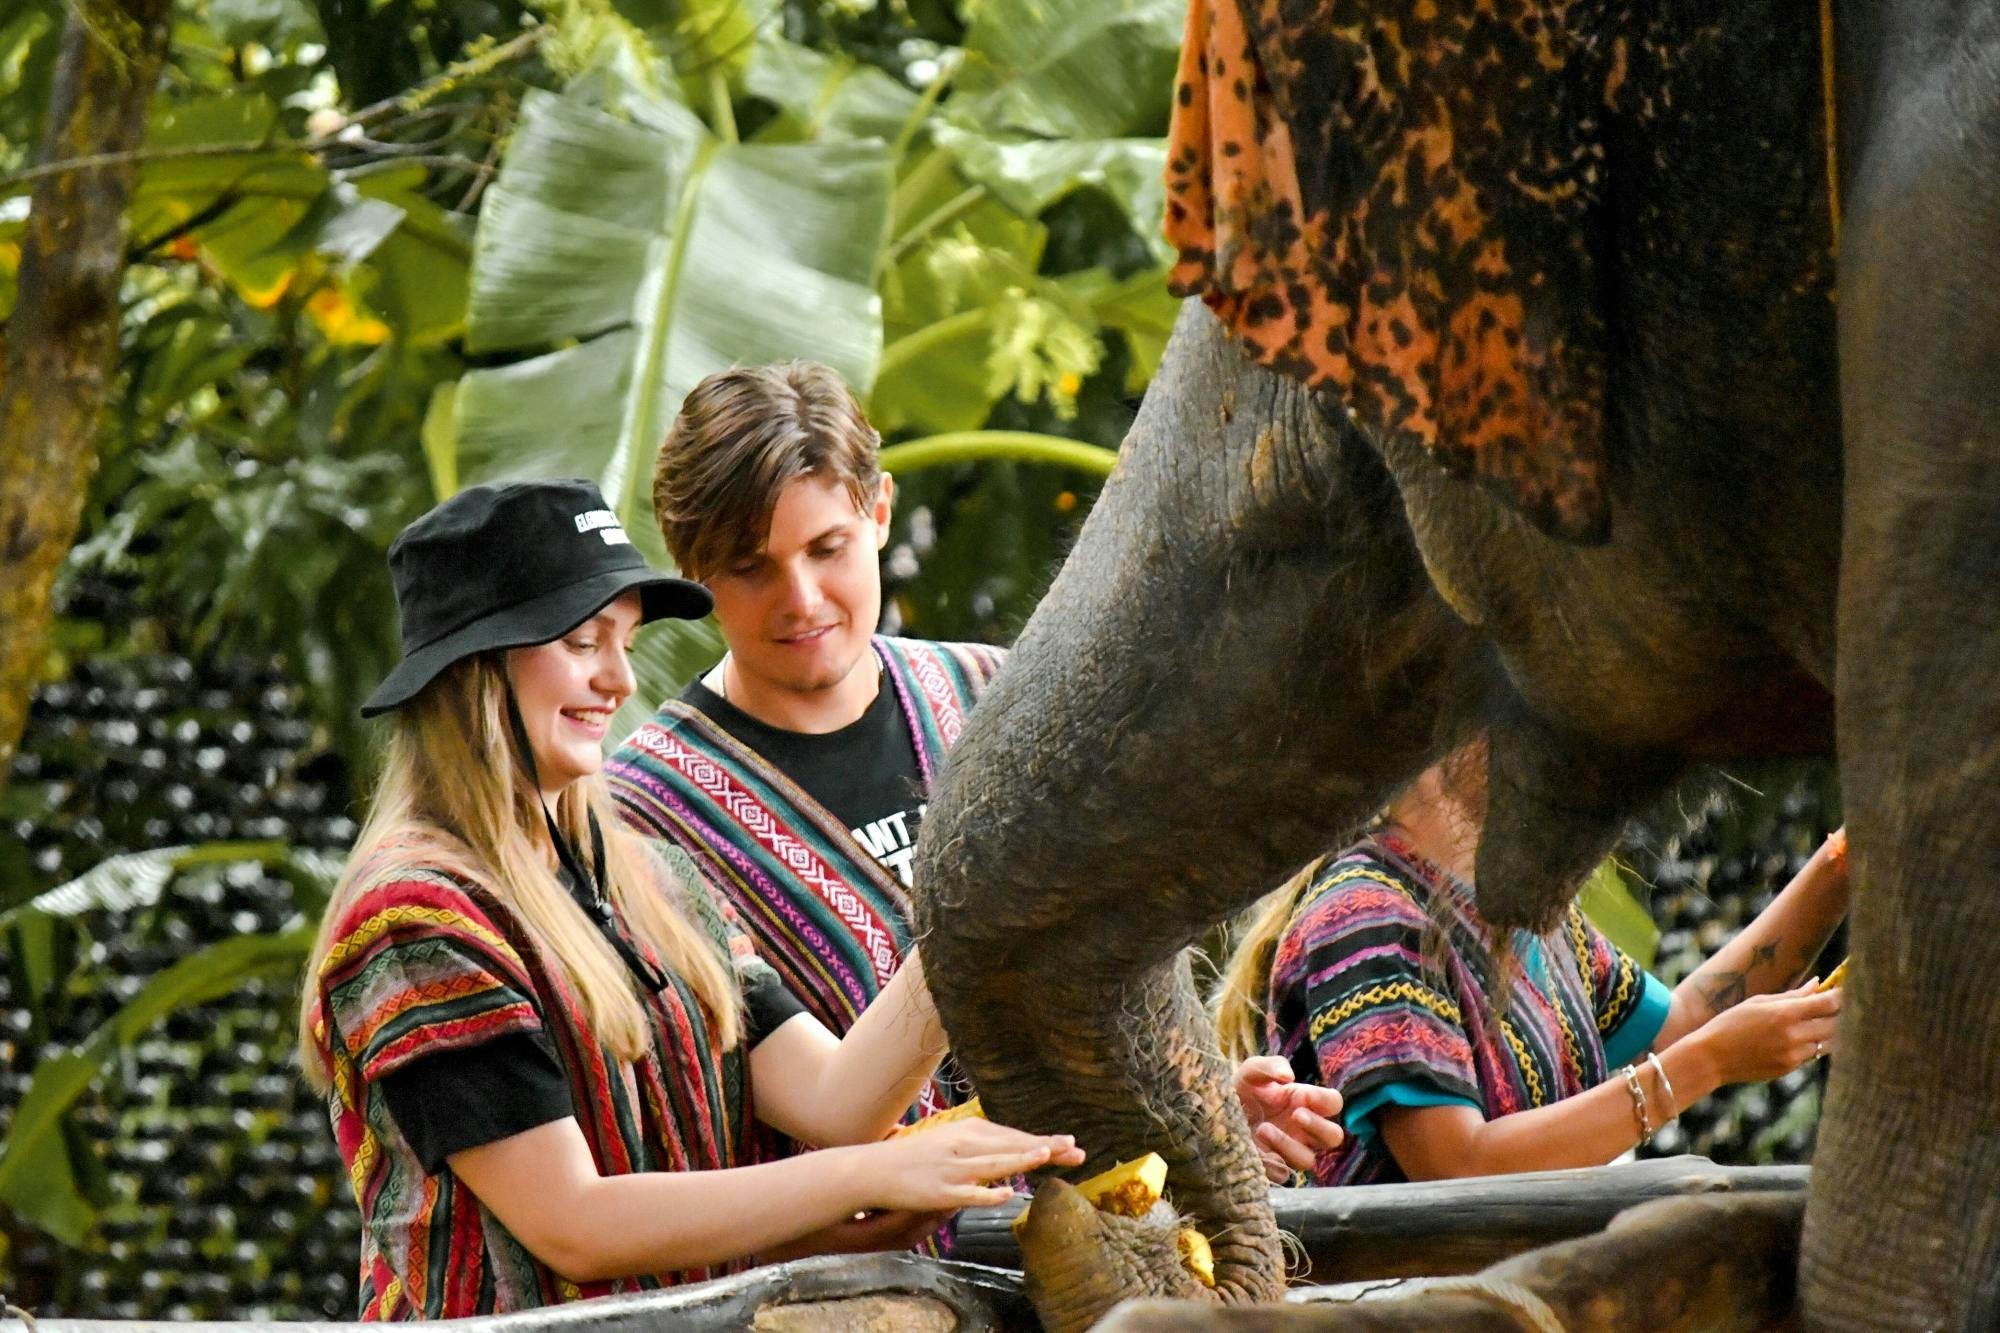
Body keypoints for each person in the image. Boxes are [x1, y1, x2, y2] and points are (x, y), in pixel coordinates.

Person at [297, 479, 1084, 1319]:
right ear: (472, 663)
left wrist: (994, 888)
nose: (618, 678)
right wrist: (866, 1175)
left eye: (624, 641)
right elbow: (572, 1224)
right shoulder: (413, 920)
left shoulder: (653, 879)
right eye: (581, 642)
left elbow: (836, 1102)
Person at [605, 361, 1341, 1186]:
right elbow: (809, 1110)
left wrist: (1197, 1108)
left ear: (878, 510)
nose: (802, 597)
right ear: (693, 569)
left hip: (1098, 1241)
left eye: (827, 548)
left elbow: (1099, 989)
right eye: (752, 567)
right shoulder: (645, 819)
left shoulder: (999, 698)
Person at [1213, 739, 1850, 1185]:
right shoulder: (1369, 913)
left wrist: (1841, 866)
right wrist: (1708, 1064)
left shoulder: (1519, 910)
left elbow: (1681, 1023)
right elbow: (1456, 1168)